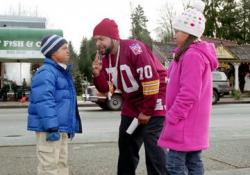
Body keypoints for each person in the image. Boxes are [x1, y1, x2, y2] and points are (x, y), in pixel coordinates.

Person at [92, 18, 168, 175]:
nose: (98, 43)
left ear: (113, 37)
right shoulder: (105, 59)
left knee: (152, 144)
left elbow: (151, 80)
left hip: (155, 94)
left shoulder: (134, 48)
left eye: (101, 39)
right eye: (96, 40)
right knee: (126, 143)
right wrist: (97, 74)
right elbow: (107, 89)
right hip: (132, 101)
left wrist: (147, 111)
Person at [158, 1, 218, 174]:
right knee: (193, 161)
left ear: (189, 32)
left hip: (184, 121)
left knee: (174, 164)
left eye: (177, 31)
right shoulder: (188, 54)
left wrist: (173, 115)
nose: (174, 34)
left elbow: (189, 93)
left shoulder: (192, 56)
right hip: (191, 121)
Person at [27, 34, 82, 175]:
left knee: (61, 164)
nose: (68, 51)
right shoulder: (46, 72)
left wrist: (67, 127)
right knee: (49, 167)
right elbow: (44, 101)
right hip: (49, 129)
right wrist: (52, 127)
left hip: (60, 128)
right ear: (53, 52)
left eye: (68, 48)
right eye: (64, 48)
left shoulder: (61, 72)